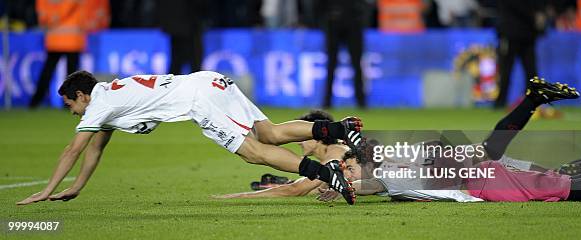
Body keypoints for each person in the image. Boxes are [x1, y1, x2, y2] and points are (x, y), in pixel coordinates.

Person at [16, 70, 365, 206]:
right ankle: (339, 128)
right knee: (269, 133)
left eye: (69, 105)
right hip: (210, 80)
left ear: (81, 95)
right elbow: (94, 151)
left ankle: (324, 174)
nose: (72, 113)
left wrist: (47, 190)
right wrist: (78, 186)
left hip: (199, 101)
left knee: (253, 152)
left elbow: (72, 149)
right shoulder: (108, 100)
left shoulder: (98, 105)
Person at [319, 78, 581, 202]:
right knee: (558, 178)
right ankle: (533, 99)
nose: (350, 173)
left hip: (476, 175)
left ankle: (533, 99)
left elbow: (368, 183)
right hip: (477, 172)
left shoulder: (386, 172)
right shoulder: (390, 166)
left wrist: (344, 184)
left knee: (559, 183)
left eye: (351, 168)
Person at [215, 110, 349, 199]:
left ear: (316, 136)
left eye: (302, 137)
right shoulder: (338, 149)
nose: (298, 142)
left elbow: (296, 190)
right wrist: (287, 184)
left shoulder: (335, 154)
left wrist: (243, 196)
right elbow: (316, 188)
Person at [29, 0, 109, 108]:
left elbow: (42, 15)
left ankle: (35, 102)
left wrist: (51, 19)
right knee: (71, 75)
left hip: (54, 38)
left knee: (47, 72)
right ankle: (69, 103)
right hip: (72, 39)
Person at [493, 0, 547, 108]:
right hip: (511, 35)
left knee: (528, 71)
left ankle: (529, 100)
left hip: (525, 35)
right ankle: (501, 101)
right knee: (507, 71)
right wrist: (536, 17)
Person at [319, 0, 367, 108]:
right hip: (333, 23)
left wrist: (360, 18)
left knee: (356, 64)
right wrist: (324, 21)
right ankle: (327, 101)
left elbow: (365, 5)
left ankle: (361, 101)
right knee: (331, 65)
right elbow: (319, 6)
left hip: (353, 23)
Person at [156, 0, 205, 75]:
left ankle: (173, 80)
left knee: (177, 56)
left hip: (175, 21)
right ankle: (194, 78)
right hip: (188, 21)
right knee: (192, 56)